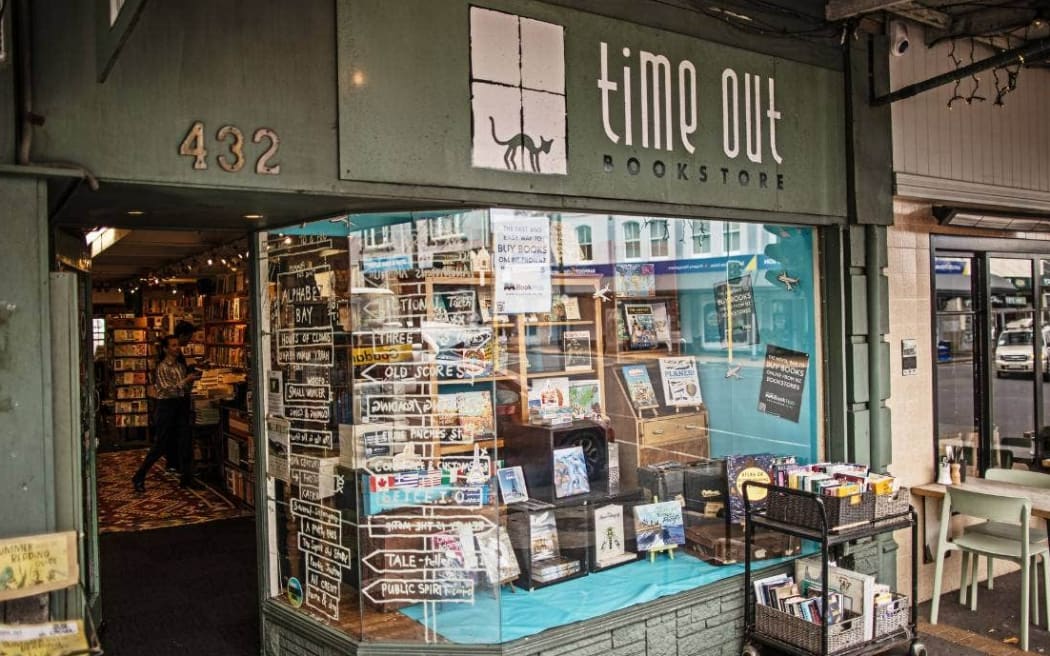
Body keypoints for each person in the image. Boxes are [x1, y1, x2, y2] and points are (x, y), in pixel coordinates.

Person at [132, 334, 201, 492]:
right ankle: (139, 475)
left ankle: (187, 478)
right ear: (166, 349)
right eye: (173, 345)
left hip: (181, 405)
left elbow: (183, 388)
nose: (177, 348)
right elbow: (166, 388)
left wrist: (192, 380)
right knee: (160, 445)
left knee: (185, 442)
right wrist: (186, 380)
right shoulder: (162, 367)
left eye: (178, 345)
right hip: (167, 407)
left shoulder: (179, 365)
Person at [163, 321, 198, 471]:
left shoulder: (175, 353)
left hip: (174, 400)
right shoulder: (173, 356)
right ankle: (180, 467)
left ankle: (175, 465)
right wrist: (189, 377)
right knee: (179, 435)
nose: (189, 341)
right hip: (176, 400)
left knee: (173, 435)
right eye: (189, 337)